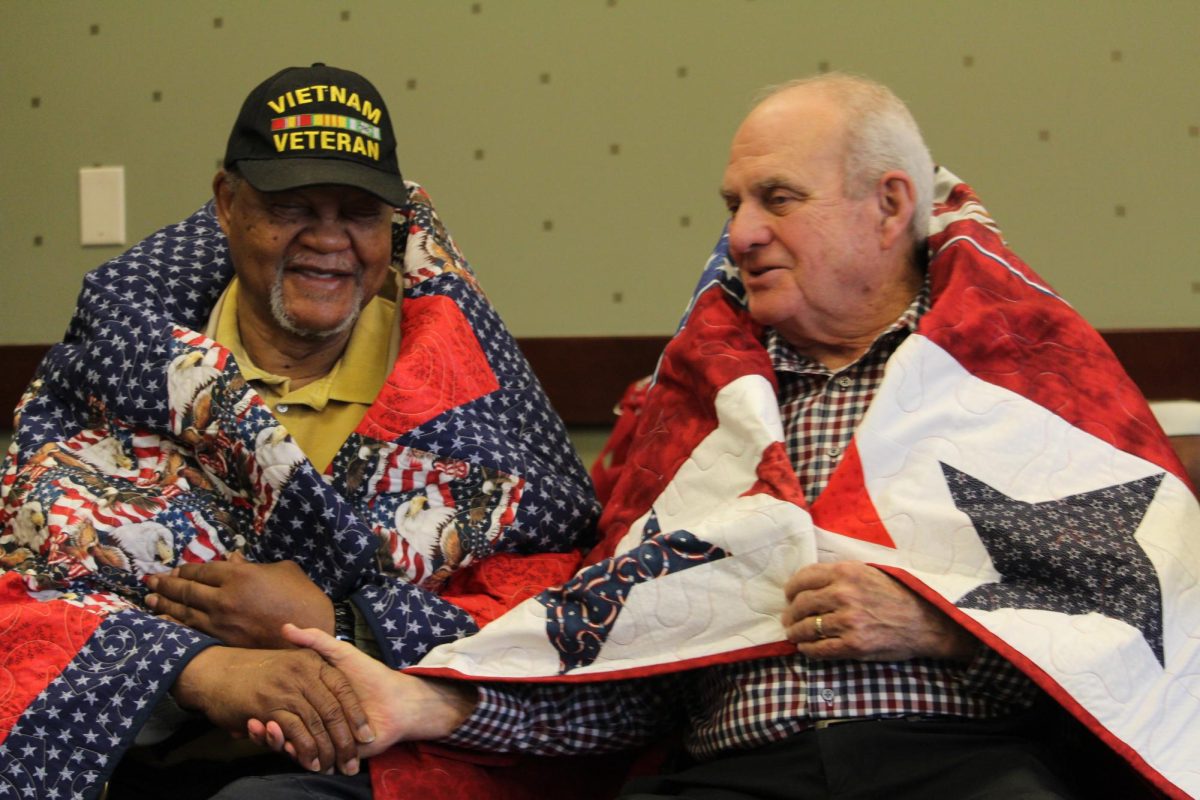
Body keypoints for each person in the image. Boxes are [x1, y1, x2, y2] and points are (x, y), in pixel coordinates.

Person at [230, 72, 1200, 800]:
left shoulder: (1025, 376)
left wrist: (945, 629)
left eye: (777, 199)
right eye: (733, 204)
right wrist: (431, 700)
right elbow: (614, 657)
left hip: (966, 762)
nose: (738, 235)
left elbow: (1157, 618)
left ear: (890, 205)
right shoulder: (694, 414)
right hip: (734, 771)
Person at [0, 63, 598, 800]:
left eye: (358, 212)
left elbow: (554, 614)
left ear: (395, 223)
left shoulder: (464, 394)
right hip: (142, 746)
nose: (328, 240)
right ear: (226, 203)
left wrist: (340, 621)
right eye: (292, 206)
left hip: (384, 760)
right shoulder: (127, 368)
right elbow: (24, 589)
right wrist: (201, 669)